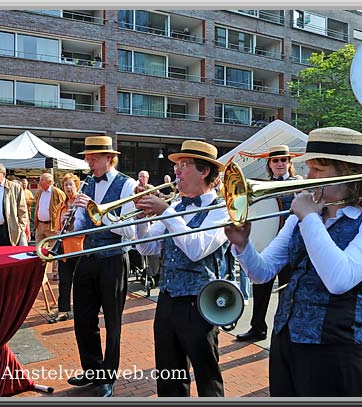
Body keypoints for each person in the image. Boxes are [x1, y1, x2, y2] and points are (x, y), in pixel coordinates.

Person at [226, 127, 362, 396]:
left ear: (349, 173)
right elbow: (262, 273)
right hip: (287, 339)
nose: (308, 177)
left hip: (336, 346)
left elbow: (340, 279)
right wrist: (242, 245)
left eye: (318, 169)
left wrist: (309, 218)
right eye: (309, 168)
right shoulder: (302, 217)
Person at [134, 140, 229, 397]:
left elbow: (196, 249)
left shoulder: (221, 209)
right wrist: (142, 220)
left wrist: (166, 213)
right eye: (177, 165)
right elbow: (147, 248)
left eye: (184, 165)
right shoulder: (175, 207)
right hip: (167, 300)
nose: (177, 171)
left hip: (200, 303)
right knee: (169, 375)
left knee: (207, 376)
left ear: (204, 171)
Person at [66, 136, 137, 398]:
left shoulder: (126, 185)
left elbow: (129, 231)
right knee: (83, 318)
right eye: (88, 157)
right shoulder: (87, 184)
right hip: (89, 257)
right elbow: (83, 229)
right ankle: (92, 369)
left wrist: (98, 211)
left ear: (109, 158)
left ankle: (108, 376)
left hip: (113, 259)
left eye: (94, 158)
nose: (89, 162)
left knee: (113, 322)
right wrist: (73, 220)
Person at [236, 145, 299, 342]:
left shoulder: (299, 184)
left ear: (290, 163)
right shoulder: (262, 185)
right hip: (267, 244)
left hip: (290, 246)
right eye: (275, 160)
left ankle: (283, 331)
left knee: (287, 291)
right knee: (260, 286)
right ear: (269, 165)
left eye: (283, 160)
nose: (280, 163)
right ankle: (258, 327)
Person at [48, 173, 83, 324]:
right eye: (65, 185)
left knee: (81, 282)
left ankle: (81, 309)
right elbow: (57, 227)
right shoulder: (61, 205)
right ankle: (63, 310)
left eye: (71, 184)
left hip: (78, 248)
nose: (68, 188)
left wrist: (71, 230)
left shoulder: (81, 204)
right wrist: (58, 230)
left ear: (77, 186)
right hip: (64, 249)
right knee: (64, 281)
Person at [34, 173, 66, 278]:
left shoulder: (58, 193)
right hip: (40, 225)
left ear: (50, 182)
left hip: (51, 226)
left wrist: (59, 225)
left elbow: (64, 208)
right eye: (40, 180)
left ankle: (55, 272)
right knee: (39, 249)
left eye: (42, 180)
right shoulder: (39, 192)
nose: (40, 182)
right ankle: (39, 272)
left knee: (54, 250)